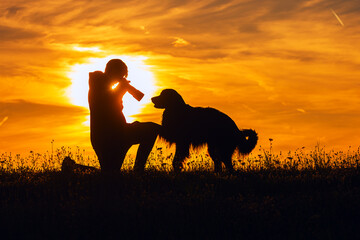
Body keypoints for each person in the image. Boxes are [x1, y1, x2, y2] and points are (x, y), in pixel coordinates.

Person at [88, 59, 160, 173]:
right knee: (110, 173)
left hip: (120, 133)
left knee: (152, 129)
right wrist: (122, 88)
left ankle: (138, 170)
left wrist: (122, 88)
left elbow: (113, 104)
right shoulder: (97, 83)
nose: (120, 79)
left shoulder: (107, 86)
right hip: (108, 137)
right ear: (112, 71)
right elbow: (107, 103)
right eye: (120, 76)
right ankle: (72, 167)